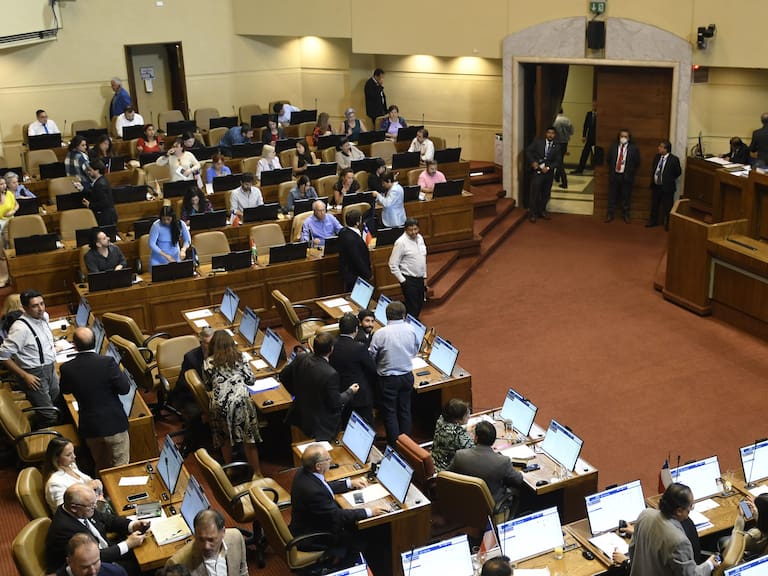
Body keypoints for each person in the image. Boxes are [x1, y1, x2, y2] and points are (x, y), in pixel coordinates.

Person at [290, 443, 388, 559]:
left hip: (307, 524)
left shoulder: (304, 472)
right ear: (318, 466)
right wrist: (370, 511)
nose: (330, 460)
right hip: (317, 537)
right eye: (328, 459)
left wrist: (349, 483)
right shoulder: (314, 491)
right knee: (369, 532)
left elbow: (323, 486)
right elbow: (337, 516)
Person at [61, 326, 131, 473]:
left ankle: (100, 494)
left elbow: (65, 390)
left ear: (74, 345)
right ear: (95, 341)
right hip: (114, 424)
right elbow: (125, 389)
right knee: (121, 468)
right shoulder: (107, 362)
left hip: (90, 426)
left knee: (100, 466)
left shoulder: (67, 368)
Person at [45, 484, 148, 574]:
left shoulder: (83, 509)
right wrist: (128, 544)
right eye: (91, 506)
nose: (94, 507)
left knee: (144, 549)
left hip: (105, 550)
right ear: (74, 508)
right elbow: (92, 556)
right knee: (143, 564)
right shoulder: (64, 529)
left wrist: (132, 525)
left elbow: (108, 520)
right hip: (90, 568)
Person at [204, 330, 263, 476]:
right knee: (248, 439)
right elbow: (251, 380)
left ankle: (230, 468)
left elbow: (207, 385)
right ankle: (257, 473)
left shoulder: (208, 362)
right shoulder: (240, 357)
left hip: (219, 404)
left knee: (224, 439)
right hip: (240, 402)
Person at [280, 332, 358, 440]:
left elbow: (283, 376)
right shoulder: (331, 374)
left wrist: (296, 393)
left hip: (300, 414)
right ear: (331, 349)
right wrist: (350, 391)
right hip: (319, 426)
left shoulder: (301, 358)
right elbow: (335, 403)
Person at [628, 482, 719, 576]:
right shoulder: (679, 541)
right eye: (690, 506)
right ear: (679, 511)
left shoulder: (645, 514)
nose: (690, 510)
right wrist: (709, 565)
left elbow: (632, 550)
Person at [0, 289, 60, 428]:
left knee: (58, 402)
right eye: (35, 306)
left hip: (50, 368)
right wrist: (25, 375)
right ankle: (51, 444)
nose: (40, 309)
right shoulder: (20, 329)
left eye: (42, 303)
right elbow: (3, 356)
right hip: (34, 374)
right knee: (49, 415)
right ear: (25, 308)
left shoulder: (44, 317)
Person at [369, 300, 420, 446]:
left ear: (386, 316)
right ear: (404, 315)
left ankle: (395, 446)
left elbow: (371, 355)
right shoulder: (411, 329)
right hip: (406, 376)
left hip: (388, 379)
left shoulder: (380, 334)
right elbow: (415, 351)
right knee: (405, 410)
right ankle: (408, 446)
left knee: (390, 412)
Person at [448, 420, 523, 511]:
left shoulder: (460, 455)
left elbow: (447, 475)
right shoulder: (503, 461)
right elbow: (518, 480)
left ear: (476, 438)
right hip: (490, 508)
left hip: (463, 505)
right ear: (493, 440)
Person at [329, 313, 378, 427]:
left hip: (341, 393)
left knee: (347, 425)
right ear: (356, 329)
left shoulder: (331, 345)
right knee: (366, 427)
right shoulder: (359, 348)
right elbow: (372, 369)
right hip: (360, 395)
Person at [165, 509, 247, 576]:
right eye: (201, 539)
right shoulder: (177, 562)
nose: (206, 546)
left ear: (223, 532)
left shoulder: (236, 537)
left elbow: (243, 572)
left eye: (211, 540)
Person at [43, 437, 105, 514]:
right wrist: (89, 488)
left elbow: (88, 481)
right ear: (56, 458)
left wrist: (96, 484)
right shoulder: (55, 484)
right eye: (68, 455)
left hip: (94, 505)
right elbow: (66, 510)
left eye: (73, 452)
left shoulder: (71, 465)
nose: (74, 456)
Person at [389, 218, 427, 319]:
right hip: (409, 279)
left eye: (415, 229)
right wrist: (403, 281)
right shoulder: (401, 242)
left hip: (420, 278)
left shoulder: (420, 238)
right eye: (411, 230)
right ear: (405, 230)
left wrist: (424, 276)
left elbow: (422, 258)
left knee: (419, 304)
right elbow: (392, 264)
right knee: (412, 308)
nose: (413, 232)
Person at [525, 126, 561, 223]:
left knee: (546, 194)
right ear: (546, 134)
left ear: (555, 135)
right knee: (535, 193)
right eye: (549, 132)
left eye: (552, 133)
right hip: (537, 171)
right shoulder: (538, 142)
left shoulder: (557, 146)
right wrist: (533, 162)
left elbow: (558, 161)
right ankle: (532, 213)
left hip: (548, 173)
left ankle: (542, 211)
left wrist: (548, 168)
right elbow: (528, 151)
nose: (550, 135)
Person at [606, 128, 641, 223]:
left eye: (625, 136)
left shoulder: (633, 148)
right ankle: (610, 214)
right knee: (612, 196)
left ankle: (626, 215)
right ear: (619, 137)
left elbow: (637, 162)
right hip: (615, 175)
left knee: (626, 197)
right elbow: (609, 159)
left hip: (626, 176)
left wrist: (630, 171)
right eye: (622, 136)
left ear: (629, 138)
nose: (623, 138)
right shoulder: (613, 146)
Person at [647, 140, 682, 230]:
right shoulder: (657, 157)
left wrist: (668, 179)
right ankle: (653, 221)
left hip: (667, 187)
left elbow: (678, 172)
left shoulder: (674, 159)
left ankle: (668, 225)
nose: (659, 148)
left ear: (666, 149)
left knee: (668, 206)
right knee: (655, 205)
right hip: (656, 186)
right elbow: (654, 168)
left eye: (661, 147)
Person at [431, 398, 474, 471]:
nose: (469, 416)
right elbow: (474, 451)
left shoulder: (441, 420)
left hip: (435, 459)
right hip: (447, 470)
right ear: (457, 420)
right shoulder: (458, 433)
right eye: (467, 414)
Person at [57, 533, 128, 576]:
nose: (93, 571)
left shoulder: (116, 572)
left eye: (96, 563)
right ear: (69, 562)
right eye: (85, 567)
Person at [148, 204, 191, 271]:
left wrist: (183, 250)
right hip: (158, 259)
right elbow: (151, 244)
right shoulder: (156, 226)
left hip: (175, 257)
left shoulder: (180, 224)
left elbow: (187, 240)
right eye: (163, 219)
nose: (166, 221)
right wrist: (166, 256)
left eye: (168, 219)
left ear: (173, 217)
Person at [338, 209, 371, 291]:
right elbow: (357, 259)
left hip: (348, 274)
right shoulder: (352, 239)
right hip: (356, 276)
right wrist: (367, 273)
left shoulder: (343, 232)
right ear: (357, 222)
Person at [82, 159, 118, 226]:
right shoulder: (102, 180)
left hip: (105, 218)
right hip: (108, 215)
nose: (88, 172)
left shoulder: (100, 184)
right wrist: (82, 189)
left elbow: (104, 203)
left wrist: (89, 205)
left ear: (97, 170)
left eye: (90, 170)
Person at [573, 100, 597, 174]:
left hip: (597, 138)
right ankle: (580, 169)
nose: (594, 106)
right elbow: (585, 125)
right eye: (593, 105)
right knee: (585, 153)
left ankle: (596, 170)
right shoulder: (589, 114)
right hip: (589, 137)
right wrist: (584, 135)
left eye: (595, 105)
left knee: (597, 155)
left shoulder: (601, 114)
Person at [553, 107, 573, 189]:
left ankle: (564, 181)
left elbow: (554, 133)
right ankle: (557, 177)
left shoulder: (555, 120)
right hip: (565, 143)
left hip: (557, 142)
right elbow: (572, 132)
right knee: (560, 159)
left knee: (559, 162)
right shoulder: (567, 120)